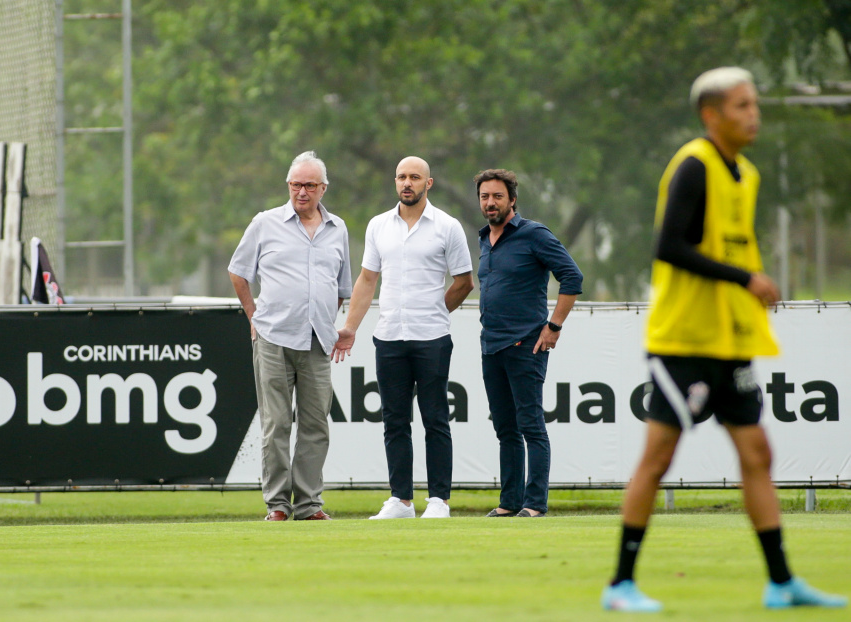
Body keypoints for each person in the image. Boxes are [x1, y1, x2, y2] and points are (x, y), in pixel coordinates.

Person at [602, 67, 847, 612]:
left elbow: (729, 249)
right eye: (741, 105)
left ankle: (782, 582)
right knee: (658, 458)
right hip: (685, 340)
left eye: (754, 104)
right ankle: (620, 583)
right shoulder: (694, 165)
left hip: (728, 342)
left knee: (757, 452)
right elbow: (669, 247)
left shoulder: (748, 175)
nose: (752, 114)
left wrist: (748, 294)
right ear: (711, 115)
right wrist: (746, 280)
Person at [332, 156, 474, 519]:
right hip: (390, 336)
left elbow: (463, 282)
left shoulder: (447, 226)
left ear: (429, 183)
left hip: (432, 338)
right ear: (395, 182)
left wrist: (436, 311)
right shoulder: (379, 225)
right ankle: (401, 500)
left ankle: (439, 499)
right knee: (394, 419)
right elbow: (367, 280)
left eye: (414, 177)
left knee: (435, 418)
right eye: (401, 177)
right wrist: (350, 326)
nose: (406, 183)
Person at [228, 151, 352, 522]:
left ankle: (309, 504)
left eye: (309, 185)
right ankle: (278, 505)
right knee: (277, 423)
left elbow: (342, 286)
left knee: (316, 424)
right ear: (288, 185)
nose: (302, 191)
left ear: (323, 188)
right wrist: (254, 316)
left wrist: (327, 318)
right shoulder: (265, 223)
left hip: (317, 341)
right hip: (274, 336)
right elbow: (238, 272)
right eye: (296, 184)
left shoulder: (338, 229)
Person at [475, 168, 583, 519]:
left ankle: (534, 503)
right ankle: (509, 502)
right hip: (491, 346)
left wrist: (554, 325)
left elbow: (572, 276)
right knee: (505, 428)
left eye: (497, 196)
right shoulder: (482, 239)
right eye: (485, 197)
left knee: (530, 425)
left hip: (526, 345)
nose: (490, 203)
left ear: (512, 199)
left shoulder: (533, 234)